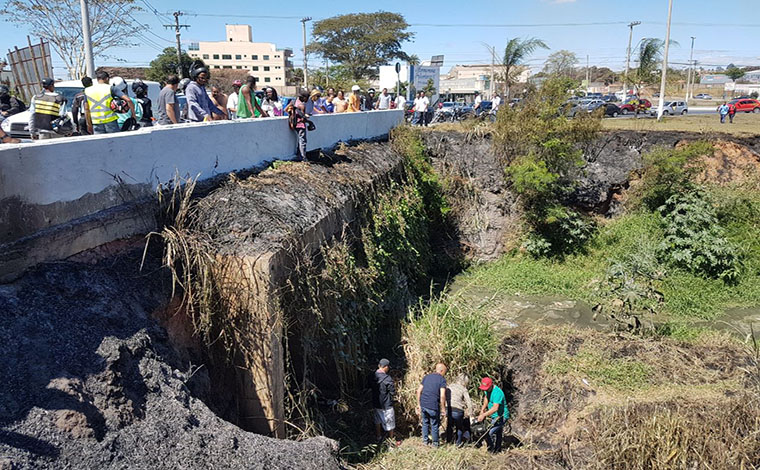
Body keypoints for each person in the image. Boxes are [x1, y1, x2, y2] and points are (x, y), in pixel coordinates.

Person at [85, 70, 133, 135]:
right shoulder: (110, 88)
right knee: (115, 143)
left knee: (100, 143)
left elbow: (86, 109)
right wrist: (133, 115)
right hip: (110, 121)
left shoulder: (87, 90)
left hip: (96, 122)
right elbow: (128, 100)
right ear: (107, 79)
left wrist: (89, 124)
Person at [416, 363, 447, 448]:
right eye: (445, 371)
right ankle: (435, 444)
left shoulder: (427, 377)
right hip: (433, 406)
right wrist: (443, 409)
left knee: (425, 423)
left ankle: (425, 441)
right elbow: (442, 396)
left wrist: (418, 404)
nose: (445, 373)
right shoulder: (442, 380)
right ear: (441, 371)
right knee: (434, 425)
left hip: (423, 404)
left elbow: (418, 391)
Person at [476, 377, 509, 453]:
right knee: (498, 433)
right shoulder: (487, 390)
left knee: (489, 433)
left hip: (501, 416)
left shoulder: (498, 393)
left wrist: (484, 415)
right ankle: (497, 449)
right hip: (494, 416)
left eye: (486, 388)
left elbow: (495, 408)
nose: (485, 390)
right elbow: (486, 398)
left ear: (491, 385)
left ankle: (491, 449)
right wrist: (482, 409)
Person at [370, 359, 398, 445]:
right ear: (385, 367)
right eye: (388, 367)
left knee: (377, 421)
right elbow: (392, 392)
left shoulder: (371, 376)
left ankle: (378, 437)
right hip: (386, 404)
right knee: (390, 423)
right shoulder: (387, 378)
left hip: (376, 403)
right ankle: (391, 440)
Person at [446, 374, 474, 447]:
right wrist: (470, 414)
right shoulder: (463, 389)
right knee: (459, 427)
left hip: (448, 408)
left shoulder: (450, 386)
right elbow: (469, 402)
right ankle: (458, 443)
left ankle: (449, 442)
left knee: (449, 426)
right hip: (458, 410)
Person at [287, 89, 310, 161]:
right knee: (302, 141)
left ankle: (299, 154)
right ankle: (303, 157)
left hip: (293, 123)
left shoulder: (293, 102)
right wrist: (306, 118)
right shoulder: (302, 105)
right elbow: (303, 118)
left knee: (299, 139)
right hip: (300, 124)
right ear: (304, 98)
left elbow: (285, 109)